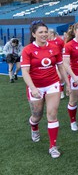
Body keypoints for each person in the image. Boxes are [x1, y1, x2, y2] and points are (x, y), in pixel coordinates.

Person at [21, 21, 70, 158]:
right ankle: (34, 127)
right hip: (35, 86)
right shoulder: (27, 50)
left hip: (52, 84)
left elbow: (61, 67)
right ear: (33, 34)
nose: (44, 34)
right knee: (37, 115)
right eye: (40, 32)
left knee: (52, 115)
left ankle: (53, 146)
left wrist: (67, 84)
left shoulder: (54, 48)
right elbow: (25, 72)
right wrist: (33, 87)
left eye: (45, 31)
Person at [48, 29, 66, 99]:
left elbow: (64, 49)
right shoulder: (46, 42)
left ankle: (62, 90)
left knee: (63, 77)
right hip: (52, 62)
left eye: (48, 33)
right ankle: (60, 92)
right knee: (59, 77)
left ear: (52, 33)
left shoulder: (59, 41)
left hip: (60, 61)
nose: (46, 34)